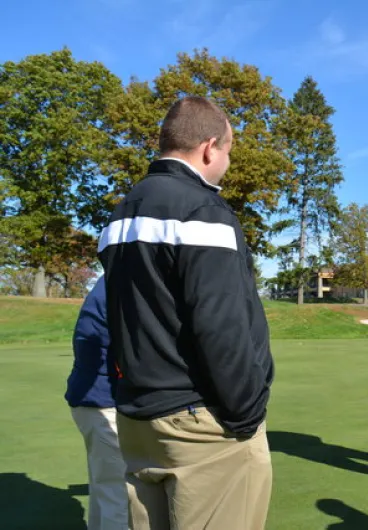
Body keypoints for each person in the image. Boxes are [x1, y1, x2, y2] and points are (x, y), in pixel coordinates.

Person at [97, 96, 275, 530]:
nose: (227, 163)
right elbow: (220, 326)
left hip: (140, 418)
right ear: (210, 147)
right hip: (200, 426)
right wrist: (246, 415)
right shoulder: (203, 211)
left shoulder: (123, 212)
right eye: (229, 152)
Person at [65, 275, 128, 530]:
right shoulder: (124, 282)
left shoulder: (113, 278)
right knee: (121, 498)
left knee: (106, 490)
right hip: (105, 402)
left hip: (92, 400)